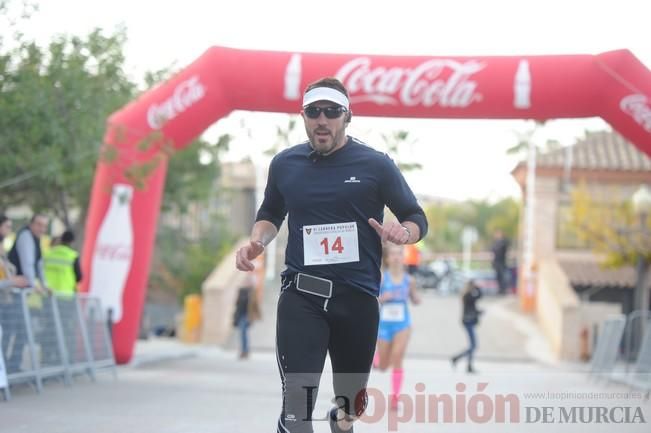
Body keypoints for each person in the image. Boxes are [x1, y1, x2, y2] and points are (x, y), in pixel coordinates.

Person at [235, 77, 428, 433]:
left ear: (347, 116)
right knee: (296, 408)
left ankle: (341, 422)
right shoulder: (285, 164)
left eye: (331, 111)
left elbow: (416, 217)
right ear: (304, 116)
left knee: (349, 407)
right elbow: (270, 213)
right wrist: (257, 242)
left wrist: (406, 233)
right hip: (302, 297)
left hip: (357, 301)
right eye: (313, 112)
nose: (322, 119)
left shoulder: (376, 165)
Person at [376, 243, 420, 411]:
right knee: (383, 366)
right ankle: (377, 358)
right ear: (387, 258)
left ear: (403, 257)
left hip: (403, 324)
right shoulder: (382, 278)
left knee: (397, 358)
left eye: (399, 254)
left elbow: (414, 297)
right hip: (384, 325)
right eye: (392, 254)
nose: (396, 257)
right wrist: (382, 298)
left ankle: (395, 397)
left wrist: (416, 299)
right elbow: (373, 299)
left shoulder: (410, 280)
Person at [0, 214, 30, 373]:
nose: (9, 230)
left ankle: (6, 370)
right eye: (7, 226)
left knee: (9, 335)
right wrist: (13, 281)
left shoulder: (3, 249)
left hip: (7, 302)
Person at [8, 214, 49, 292]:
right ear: (31, 224)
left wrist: (45, 285)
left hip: (23, 287)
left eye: (45, 226)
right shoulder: (26, 236)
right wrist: (34, 285)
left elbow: (39, 264)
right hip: (17, 287)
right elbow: (27, 263)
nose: (42, 229)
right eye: (39, 225)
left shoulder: (36, 238)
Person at [450, 280, 483, 373]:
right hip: (468, 321)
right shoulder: (468, 295)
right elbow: (479, 297)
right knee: (473, 346)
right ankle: (458, 359)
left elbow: (474, 304)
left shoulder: (467, 295)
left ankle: (466, 364)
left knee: (473, 345)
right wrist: (478, 288)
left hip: (469, 321)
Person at [43, 229, 82, 297]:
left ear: (61, 240)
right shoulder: (73, 255)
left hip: (48, 294)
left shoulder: (48, 254)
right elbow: (79, 277)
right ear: (72, 241)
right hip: (65, 294)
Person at [232, 273, 260, 360]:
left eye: (249, 281)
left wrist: (257, 315)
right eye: (247, 280)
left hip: (247, 315)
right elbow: (237, 303)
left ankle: (245, 351)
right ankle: (244, 350)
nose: (248, 282)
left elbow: (255, 305)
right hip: (240, 314)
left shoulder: (252, 292)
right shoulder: (241, 290)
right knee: (242, 333)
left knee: (244, 333)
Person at [491, 229, 510, 295]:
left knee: (502, 277)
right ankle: (500, 289)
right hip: (496, 262)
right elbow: (493, 249)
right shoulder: (496, 242)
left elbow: (499, 250)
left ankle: (503, 290)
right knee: (498, 277)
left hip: (501, 262)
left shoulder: (503, 242)